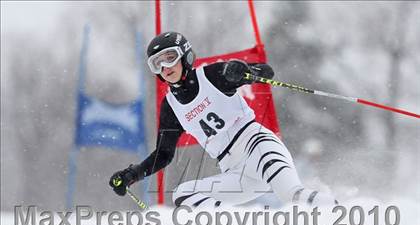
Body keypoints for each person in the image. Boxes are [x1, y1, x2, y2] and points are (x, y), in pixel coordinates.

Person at [109, 31, 336, 208]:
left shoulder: (212, 75)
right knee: (183, 193)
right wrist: (133, 174)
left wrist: (243, 70)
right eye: (157, 63)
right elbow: (164, 154)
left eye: (170, 58)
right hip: (235, 172)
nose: (165, 67)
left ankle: (339, 214)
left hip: (257, 145)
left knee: (292, 196)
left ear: (185, 55)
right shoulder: (171, 106)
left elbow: (266, 71)